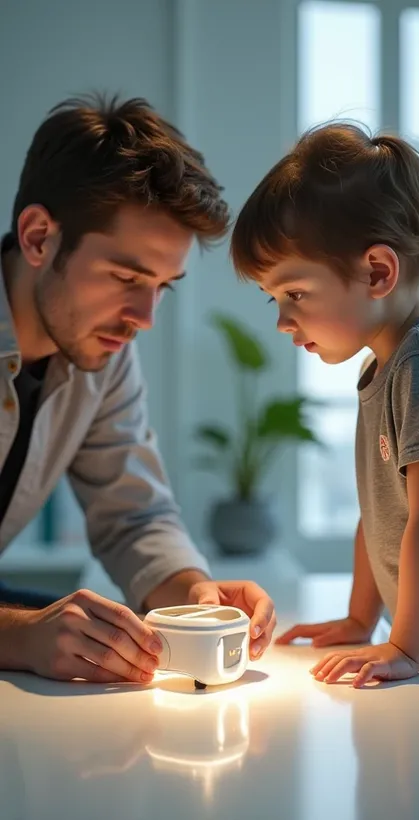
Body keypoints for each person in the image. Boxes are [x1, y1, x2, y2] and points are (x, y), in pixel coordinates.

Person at [0, 93, 276, 685]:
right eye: (126, 277)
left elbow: (135, 518)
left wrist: (194, 593)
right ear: (39, 236)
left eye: (162, 286)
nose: (144, 316)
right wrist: (19, 637)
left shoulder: (105, 354)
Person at [229, 121, 419, 715]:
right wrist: (362, 618)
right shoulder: (381, 371)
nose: (284, 322)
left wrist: (404, 648)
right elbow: (380, 511)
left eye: (296, 294)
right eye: (275, 300)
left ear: (377, 272)